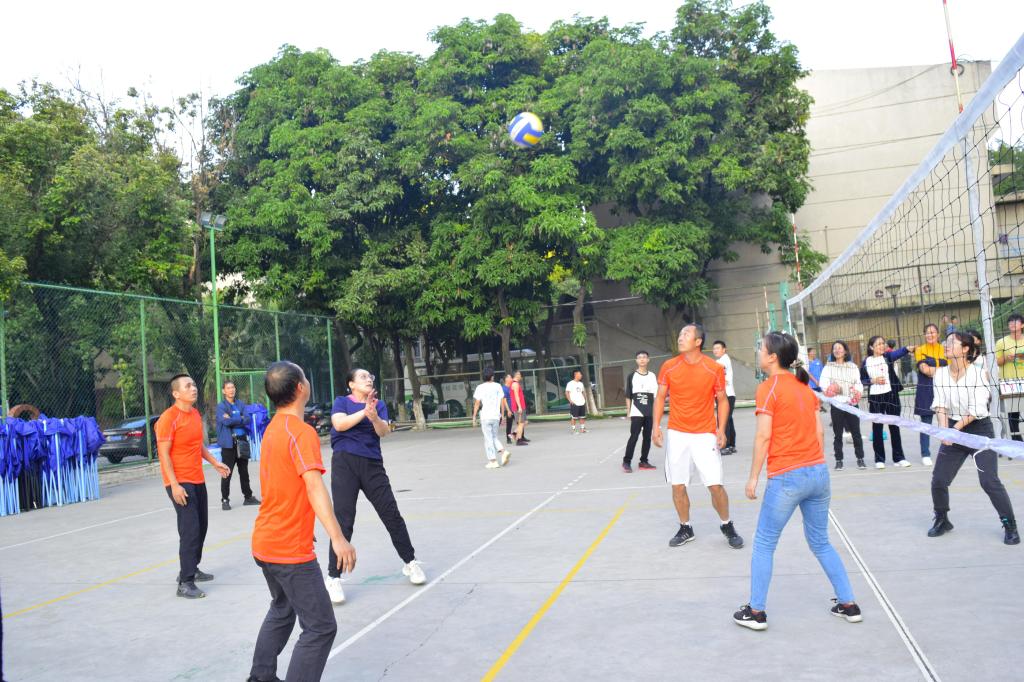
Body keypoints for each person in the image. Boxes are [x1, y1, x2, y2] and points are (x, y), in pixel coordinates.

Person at [733, 331, 862, 631]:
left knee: (764, 543)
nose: (758, 352)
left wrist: (753, 478)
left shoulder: (768, 388)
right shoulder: (805, 389)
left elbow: (763, 436)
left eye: (761, 349)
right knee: (821, 542)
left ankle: (756, 611)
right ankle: (849, 604)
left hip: (787, 476)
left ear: (772, 357)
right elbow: (819, 433)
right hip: (817, 473)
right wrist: (814, 465)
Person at [248, 362, 357, 682]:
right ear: (300, 388)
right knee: (321, 627)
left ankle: (260, 677)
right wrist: (338, 537)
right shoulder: (300, 432)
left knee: (282, 608)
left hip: (266, 541)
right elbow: (313, 486)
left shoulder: (273, 429)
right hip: (288, 550)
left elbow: (283, 485)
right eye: (306, 377)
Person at [324, 369, 425, 604]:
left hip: (372, 464)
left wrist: (374, 416)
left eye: (370, 377)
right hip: (345, 463)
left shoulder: (378, 405)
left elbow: (383, 431)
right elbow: (339, 424)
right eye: (362, 377)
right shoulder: (341, 402)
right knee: (344, 520)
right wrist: (363, 411)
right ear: (351, 384)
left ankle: (410, 562)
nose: (369, 379)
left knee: (391, 513)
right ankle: (333, 577)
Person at [653, 324, 743, 549]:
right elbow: (660, 396)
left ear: (698, 341)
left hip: (705, 434)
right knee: (678, 485)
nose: (680, 337)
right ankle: (685, 527)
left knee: (715, 485)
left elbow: (722, 400)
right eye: (680, 334)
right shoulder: (669, 366)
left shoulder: (714, 368)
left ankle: (727, 524)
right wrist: (656, 426)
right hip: (677, 433)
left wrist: (721, 429)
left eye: (686, 334)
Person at [928, 331, 1019, 545]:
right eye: (946, 341)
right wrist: (943, 430)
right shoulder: (940, 374)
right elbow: (940, 404)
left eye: (952, 342)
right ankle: (942, 519)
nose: (946, 344)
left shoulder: (978, 374)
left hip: (979, 428)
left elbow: (977, 409)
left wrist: (954, 430)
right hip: (953, 427)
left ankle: (1010, 525)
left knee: (989, 481)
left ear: (966, 349)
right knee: (939, 480)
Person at [155, 374, 230, 599]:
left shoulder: (195, 414)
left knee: (202, 526)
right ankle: (185, 582)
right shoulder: (168, 418)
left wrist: (215, 463)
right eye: (188, 386)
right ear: (176, 393)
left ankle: (192, 568)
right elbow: (164, 455)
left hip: (197, 478)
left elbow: (198, 446)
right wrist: (174, 485)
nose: (193, 388)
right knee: (190, 530)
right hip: (179, 481)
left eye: (194, 385)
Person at [861, 336, 915, 469]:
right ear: (871, 347)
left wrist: (907, 349)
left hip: (891, 396)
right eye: (878, 344)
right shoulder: (866, 362)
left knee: (894, 427)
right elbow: (862, 380)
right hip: (875, 398)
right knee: (877, 429)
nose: (881, 346)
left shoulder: (887, 357)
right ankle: (879, 459)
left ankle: (899, 458)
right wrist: (873, 381)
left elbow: (898, 353)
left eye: (882, 343)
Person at [819, 341, 866, 470]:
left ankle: (860, 459)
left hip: (851, 404)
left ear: (845, 351)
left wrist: (857, 393)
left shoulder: (852, 367)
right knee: (837, 434)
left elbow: (858, 383)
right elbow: (823, 384)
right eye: (835, 348)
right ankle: (839, 460)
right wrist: (831, 389)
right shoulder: (828, 367)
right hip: (837, 405)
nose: (837, 350)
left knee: (856, 433)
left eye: (840, 348)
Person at [216, 380, 260, 511]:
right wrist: (239, 417)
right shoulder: (221, 406)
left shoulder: (240, 403)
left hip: (242, 441)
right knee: (227, 472)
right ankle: (225, 500)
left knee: (244, 472)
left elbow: (247, 419)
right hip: (229, 444)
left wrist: (233, 417)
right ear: (224, 391)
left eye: (233, 387)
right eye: (228, 388)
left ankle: (248, 497)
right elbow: (226, 422)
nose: (231, 390)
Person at [914, 323, 947, 466]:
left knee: (945, 422)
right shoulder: (920, 350)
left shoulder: (945, 349)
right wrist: (942, 368)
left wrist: (933, 367)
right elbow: (925, 370)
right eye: (927, 332)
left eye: (933, 332)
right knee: (926, 423)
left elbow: (952, 368)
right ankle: (925, 454)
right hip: (926, 389)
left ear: (938, 334)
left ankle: (946, 451)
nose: (930, 335)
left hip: (944, 389)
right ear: (924, 335)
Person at [623, 350, 658, 473]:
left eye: (644, 357)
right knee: (634, 436)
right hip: (636, 411)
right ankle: (626, 462)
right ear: (636, 360)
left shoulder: (652, 375)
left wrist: (656, 412)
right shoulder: (632, 376)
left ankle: (643, 461)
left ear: (648, 360)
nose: (642, 359)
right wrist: (629, 411)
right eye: (639, 357)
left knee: (647, 437)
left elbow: (655, 395)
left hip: (649, 411)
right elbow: (628, 395)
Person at [472, 368, 511, 468]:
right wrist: (502, 415)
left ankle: (493, 461)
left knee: (488, 439)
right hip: (496, 416)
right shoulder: (498, 386)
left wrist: (474, 417)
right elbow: (502, 401)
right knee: (494, 437)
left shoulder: (480, 387)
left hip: (485, 416)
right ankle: (503, 452)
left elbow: (477, 403)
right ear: (492, 376)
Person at [995, 313, 1024, 441]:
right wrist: (1006, 358)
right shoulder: (1001, 342)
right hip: (1009, 382)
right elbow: (996, 362)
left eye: (1016, 321)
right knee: (1013, 415)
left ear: (1022, 325)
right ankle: (1017, 442)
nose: (1012, 323)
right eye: (1010, 321)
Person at [712, 340, 737, 455]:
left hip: (725, 395)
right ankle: (731, 445)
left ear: (724, 349)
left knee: (723, 419)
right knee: (728, 419)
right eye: (714, 348)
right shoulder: (724, 360)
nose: (715, 350)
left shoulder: (723, 360)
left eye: (718, 348)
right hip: (729, 394)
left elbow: (716, 368)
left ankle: (725, 446)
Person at [565, 369, 588, 434]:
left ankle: (582, 429)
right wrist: (570, 401)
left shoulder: (581, 383)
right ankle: (573, 430)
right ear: (575, 374)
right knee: (574, 417)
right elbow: (566, 393)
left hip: (581, 402)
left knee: (582, 417)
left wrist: (584, 399)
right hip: (575, 403)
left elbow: (583, 392)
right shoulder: (570, 383)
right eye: (580, 374)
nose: (581, 375)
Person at [510, 370, 529, 446]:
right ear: (516, 375)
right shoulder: (515, 384)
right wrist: (519, 407)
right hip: (518, 406)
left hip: (520, 406)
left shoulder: (515, 384)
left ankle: (515, 434)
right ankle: (519, 439)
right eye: (519, 374)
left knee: (523, 422)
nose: (520, 376)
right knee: (521, 423)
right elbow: (516, 396)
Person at [502, 374, 516, 445]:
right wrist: (508, 410)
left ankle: (521, 436)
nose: (511, 378)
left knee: (520, 423)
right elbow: (504, 401)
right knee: (509, 425)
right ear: (506, 379)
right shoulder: (504, 388)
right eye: (510, 377)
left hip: (515, 408)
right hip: (509, 409)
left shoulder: (512, 387)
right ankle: (508, 439)